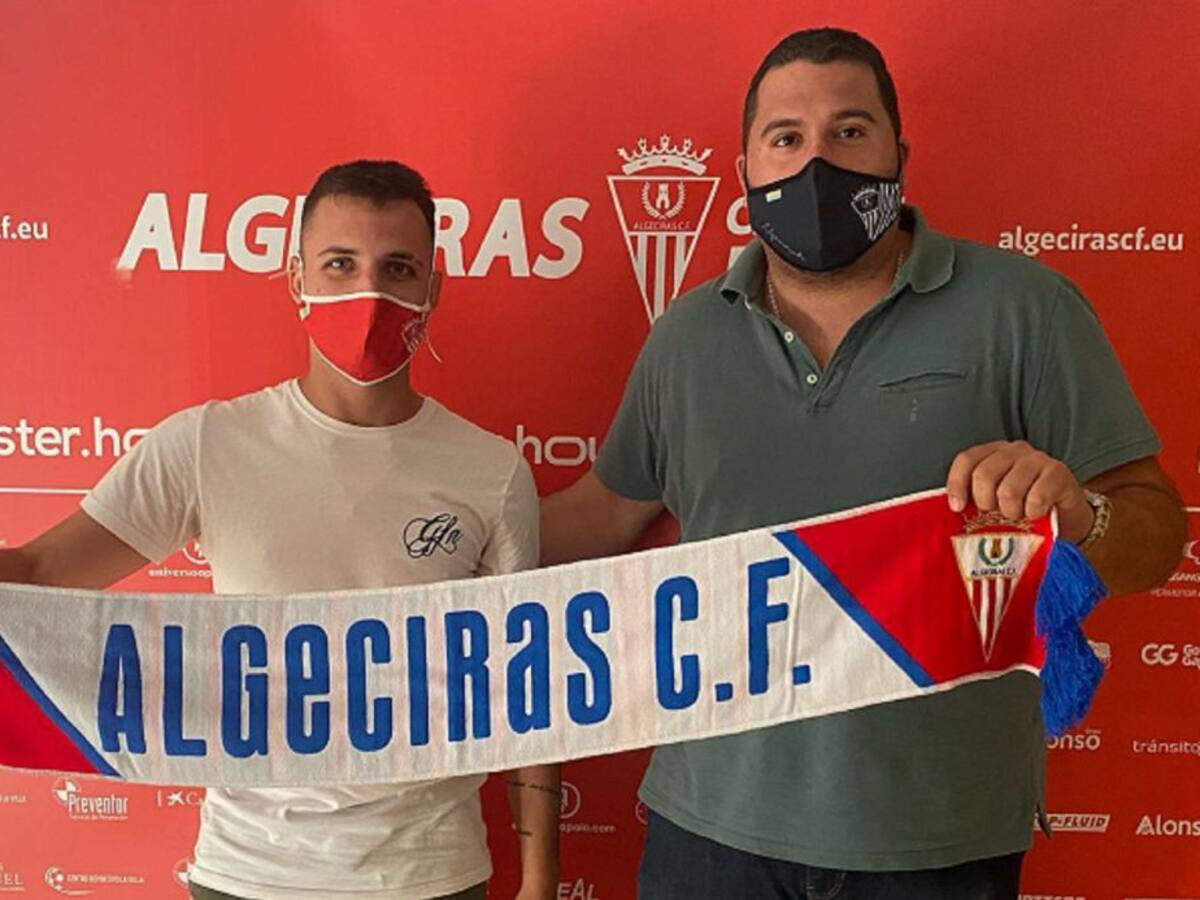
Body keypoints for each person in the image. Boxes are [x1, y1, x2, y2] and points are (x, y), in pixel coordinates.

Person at [540, 28, 1186, 899]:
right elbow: (601, 515)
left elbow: (1156, 535)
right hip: (710, 826)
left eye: (849, 132)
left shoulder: (1025, 310)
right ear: (745, 169)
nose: (817, 164)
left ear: (898, 155)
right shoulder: (686, 337)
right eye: (787, 137)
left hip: (937, 840)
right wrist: (420, 542)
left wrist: (1083, 517)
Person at [0, 160, 560, 900]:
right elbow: (41, 573)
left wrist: (540, 878)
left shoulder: (491, 470)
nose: (368, 295)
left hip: (431, 872)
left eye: (397, 268)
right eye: (340, 264)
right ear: (296, 278)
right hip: (247, 873)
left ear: (432, 287)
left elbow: (530, 688)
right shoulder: (209, 444)